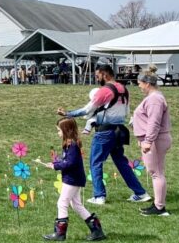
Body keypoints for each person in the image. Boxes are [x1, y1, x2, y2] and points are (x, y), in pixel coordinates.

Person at [58, 64, 149, 205]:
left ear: (104, 74)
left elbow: (87, 110)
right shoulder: (124, 89)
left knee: (95, 163)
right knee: (121, 162)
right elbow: (126, 111)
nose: (97, 78)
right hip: (119, 131)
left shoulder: (105, 90)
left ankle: (99, 196)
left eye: (98, 76)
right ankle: (140, 193)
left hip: (104, 132)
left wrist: (68, 113)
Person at [43, 118, 106, 242]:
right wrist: (55, 164)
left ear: (66, 130)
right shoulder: (69, 144)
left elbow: (70, 163)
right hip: (73, 178)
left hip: (72, 179)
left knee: (62, 203)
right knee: (76, 205)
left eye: (59, 130)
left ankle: (60, 234)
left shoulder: (72, 145)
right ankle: (97, 231)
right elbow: (67, 161)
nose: (58, 133)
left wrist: (56, 166)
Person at [132, 67, 173, 216]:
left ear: (147, 83)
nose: (139, 86)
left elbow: (154, 122)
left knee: (156, 173)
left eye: (140, 83)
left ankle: (159, 207)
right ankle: (157, 204)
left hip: (155, 140)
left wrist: (148, 141)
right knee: (156, 172)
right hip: (154, 139)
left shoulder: (154, 99)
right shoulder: (154, 97)